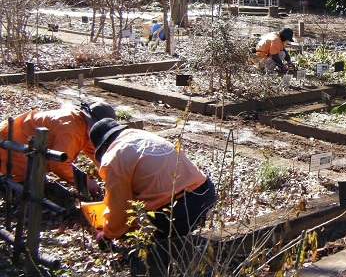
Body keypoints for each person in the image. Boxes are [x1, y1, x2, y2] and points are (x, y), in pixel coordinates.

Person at [89, 118, 216, 249]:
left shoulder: (113, 158)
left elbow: (119, 206)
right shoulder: (143, 136)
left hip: (177, 210)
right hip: (206, 192)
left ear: (103, 147)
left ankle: (167, 249)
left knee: (157, 242)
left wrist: (107, 234)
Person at [0, 100, 117, 193]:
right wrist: (85, 182)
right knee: (22, 187)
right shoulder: (71, 130)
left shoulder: (83, 125)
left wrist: (111, 177)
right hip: (15, 144)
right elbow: (59, 165)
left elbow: (96, 153)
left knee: (39, 181)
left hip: (23, 137)